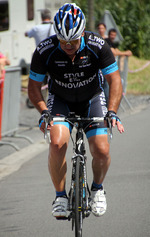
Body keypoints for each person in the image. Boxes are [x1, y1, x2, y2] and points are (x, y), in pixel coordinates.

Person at [28, 3, 124, 219]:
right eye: (63, 41)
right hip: (61, 100)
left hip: (92, 99)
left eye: (73, 41)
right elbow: (33, 87)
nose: (68, 46)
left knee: (101, 148)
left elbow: (114, 79)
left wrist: (112, 111)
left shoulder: (97, 45)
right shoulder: (45, 49)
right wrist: (43, 111)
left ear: (82, 33)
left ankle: (98, 189)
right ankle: (60, 196)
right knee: (57, 142)